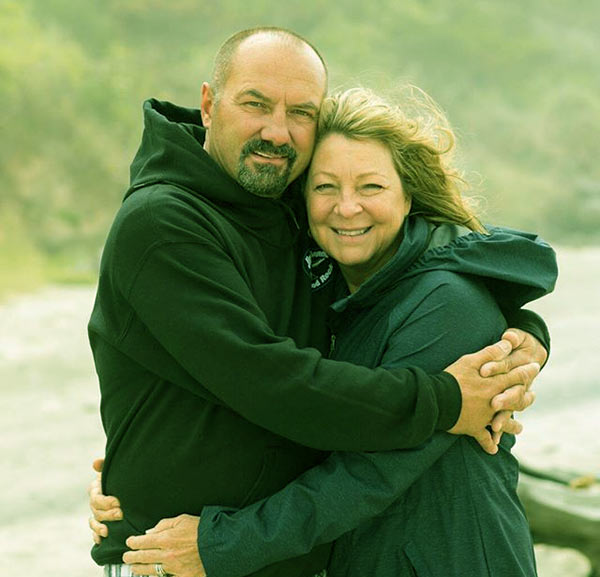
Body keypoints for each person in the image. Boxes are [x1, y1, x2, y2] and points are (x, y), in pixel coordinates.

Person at [88, 27, 549, 577]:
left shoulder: (287, 208)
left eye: (300, 112)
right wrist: (449, 400)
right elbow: (268, 380)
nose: (276, 131)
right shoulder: (166, 223)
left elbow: (451, 277)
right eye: (255, 103)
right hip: (176, 557)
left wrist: (519, 337)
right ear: (209, 105)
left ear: (409, 196)